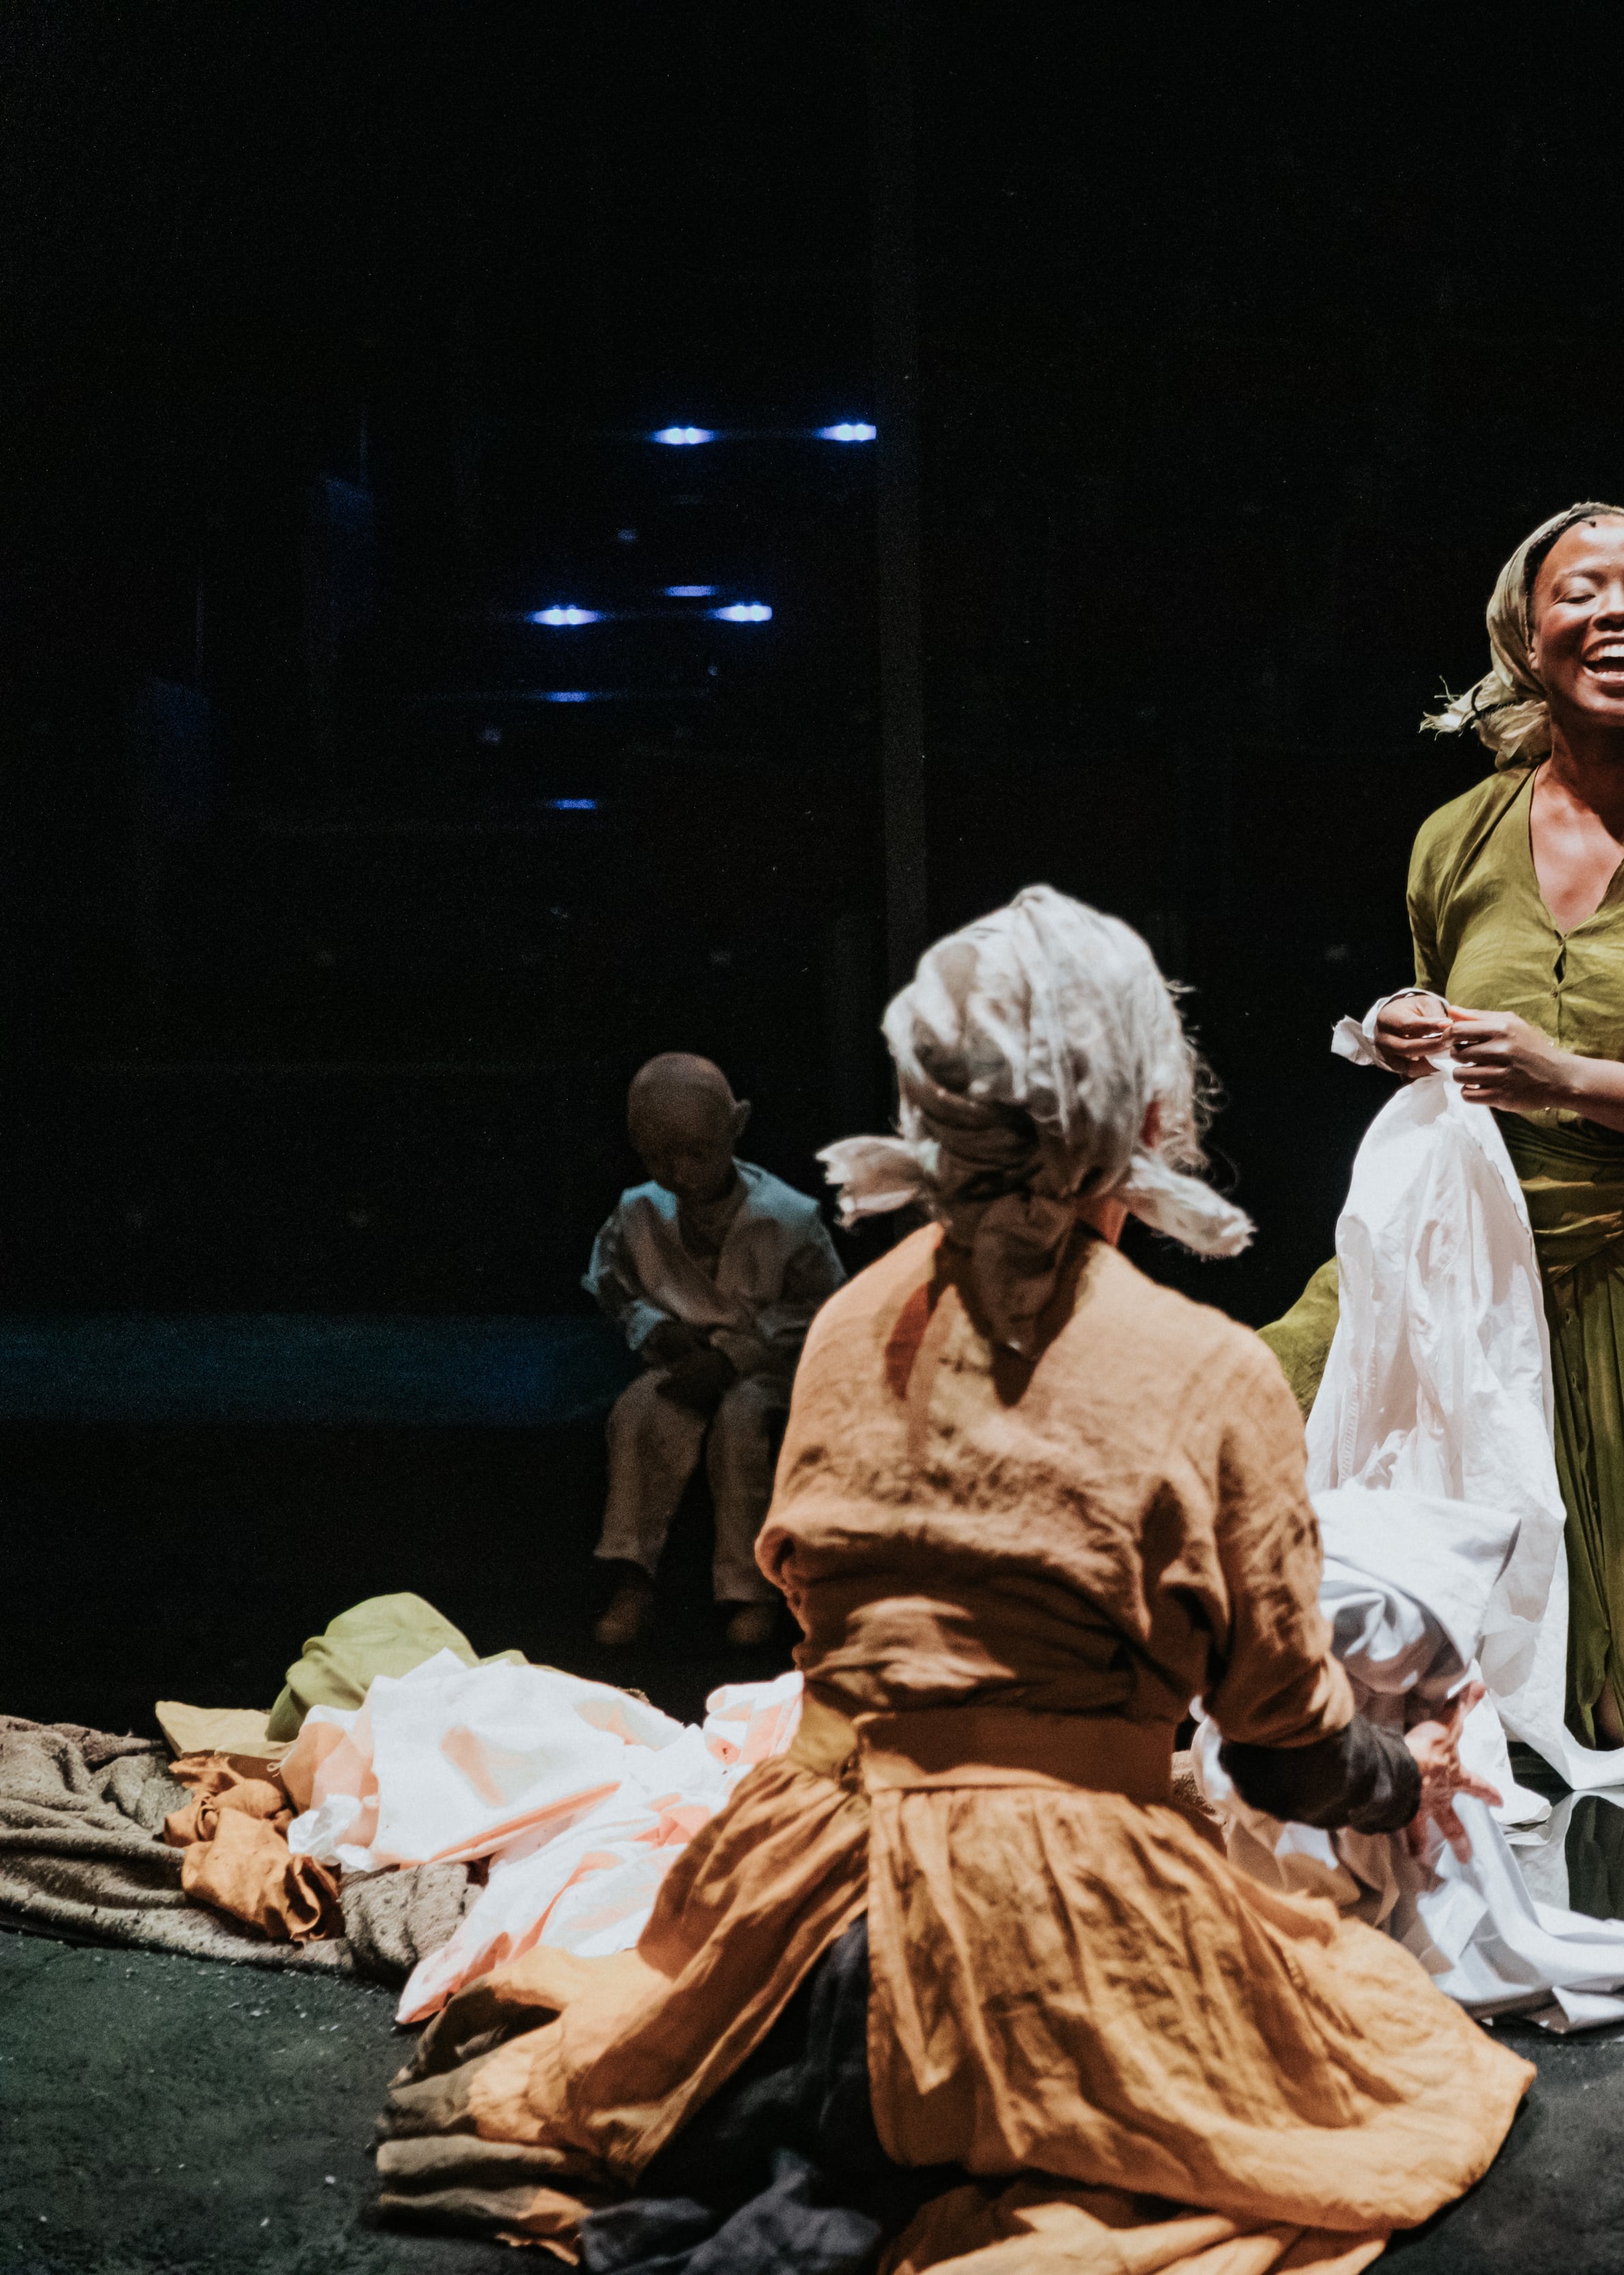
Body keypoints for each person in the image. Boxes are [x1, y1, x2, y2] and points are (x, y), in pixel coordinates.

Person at [372, 887, 1533, 2270]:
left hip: (798, 1882)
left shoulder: (852, 1322)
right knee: (1395, 2055)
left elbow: (812, 1591)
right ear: (1154, 1114)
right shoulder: (1207, 1372)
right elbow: (1281, 1753)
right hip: (1057, 1899)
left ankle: (821, 2110)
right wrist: (1399, 1767)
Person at [1263, 502, 1624, 1772]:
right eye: (1582, 591)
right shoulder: (1457, 838)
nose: (1618, 611)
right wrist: (1421, 1030)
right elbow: (1454, 1043)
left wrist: (1565, 1075)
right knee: (1244, 1413)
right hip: (1467, 1250)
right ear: (1527, 636)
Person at [584, 1053, 843, 1651]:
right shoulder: (638, 1213)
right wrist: (657, 1330)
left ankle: (749, 1590)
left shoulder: (789, 1218)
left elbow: (818, 1306)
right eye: (658, 1157)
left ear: (736, 1126)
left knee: (741, 1425)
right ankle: (633, 1581)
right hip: (677, 1363)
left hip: (762, 1370)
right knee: (638, 1416)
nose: (681, 1172)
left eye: (698, 1153)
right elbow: (613, 1283)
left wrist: (731, 1357)